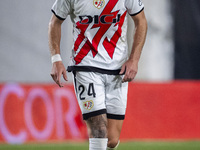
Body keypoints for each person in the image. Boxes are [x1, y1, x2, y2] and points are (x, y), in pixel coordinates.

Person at [48, 0, 147, 149]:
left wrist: (134, 59)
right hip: (86, 66)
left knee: (111, 140)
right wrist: (56, 59)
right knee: (99, 131)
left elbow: (141, 21)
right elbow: (54, 22)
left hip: (117, 69)